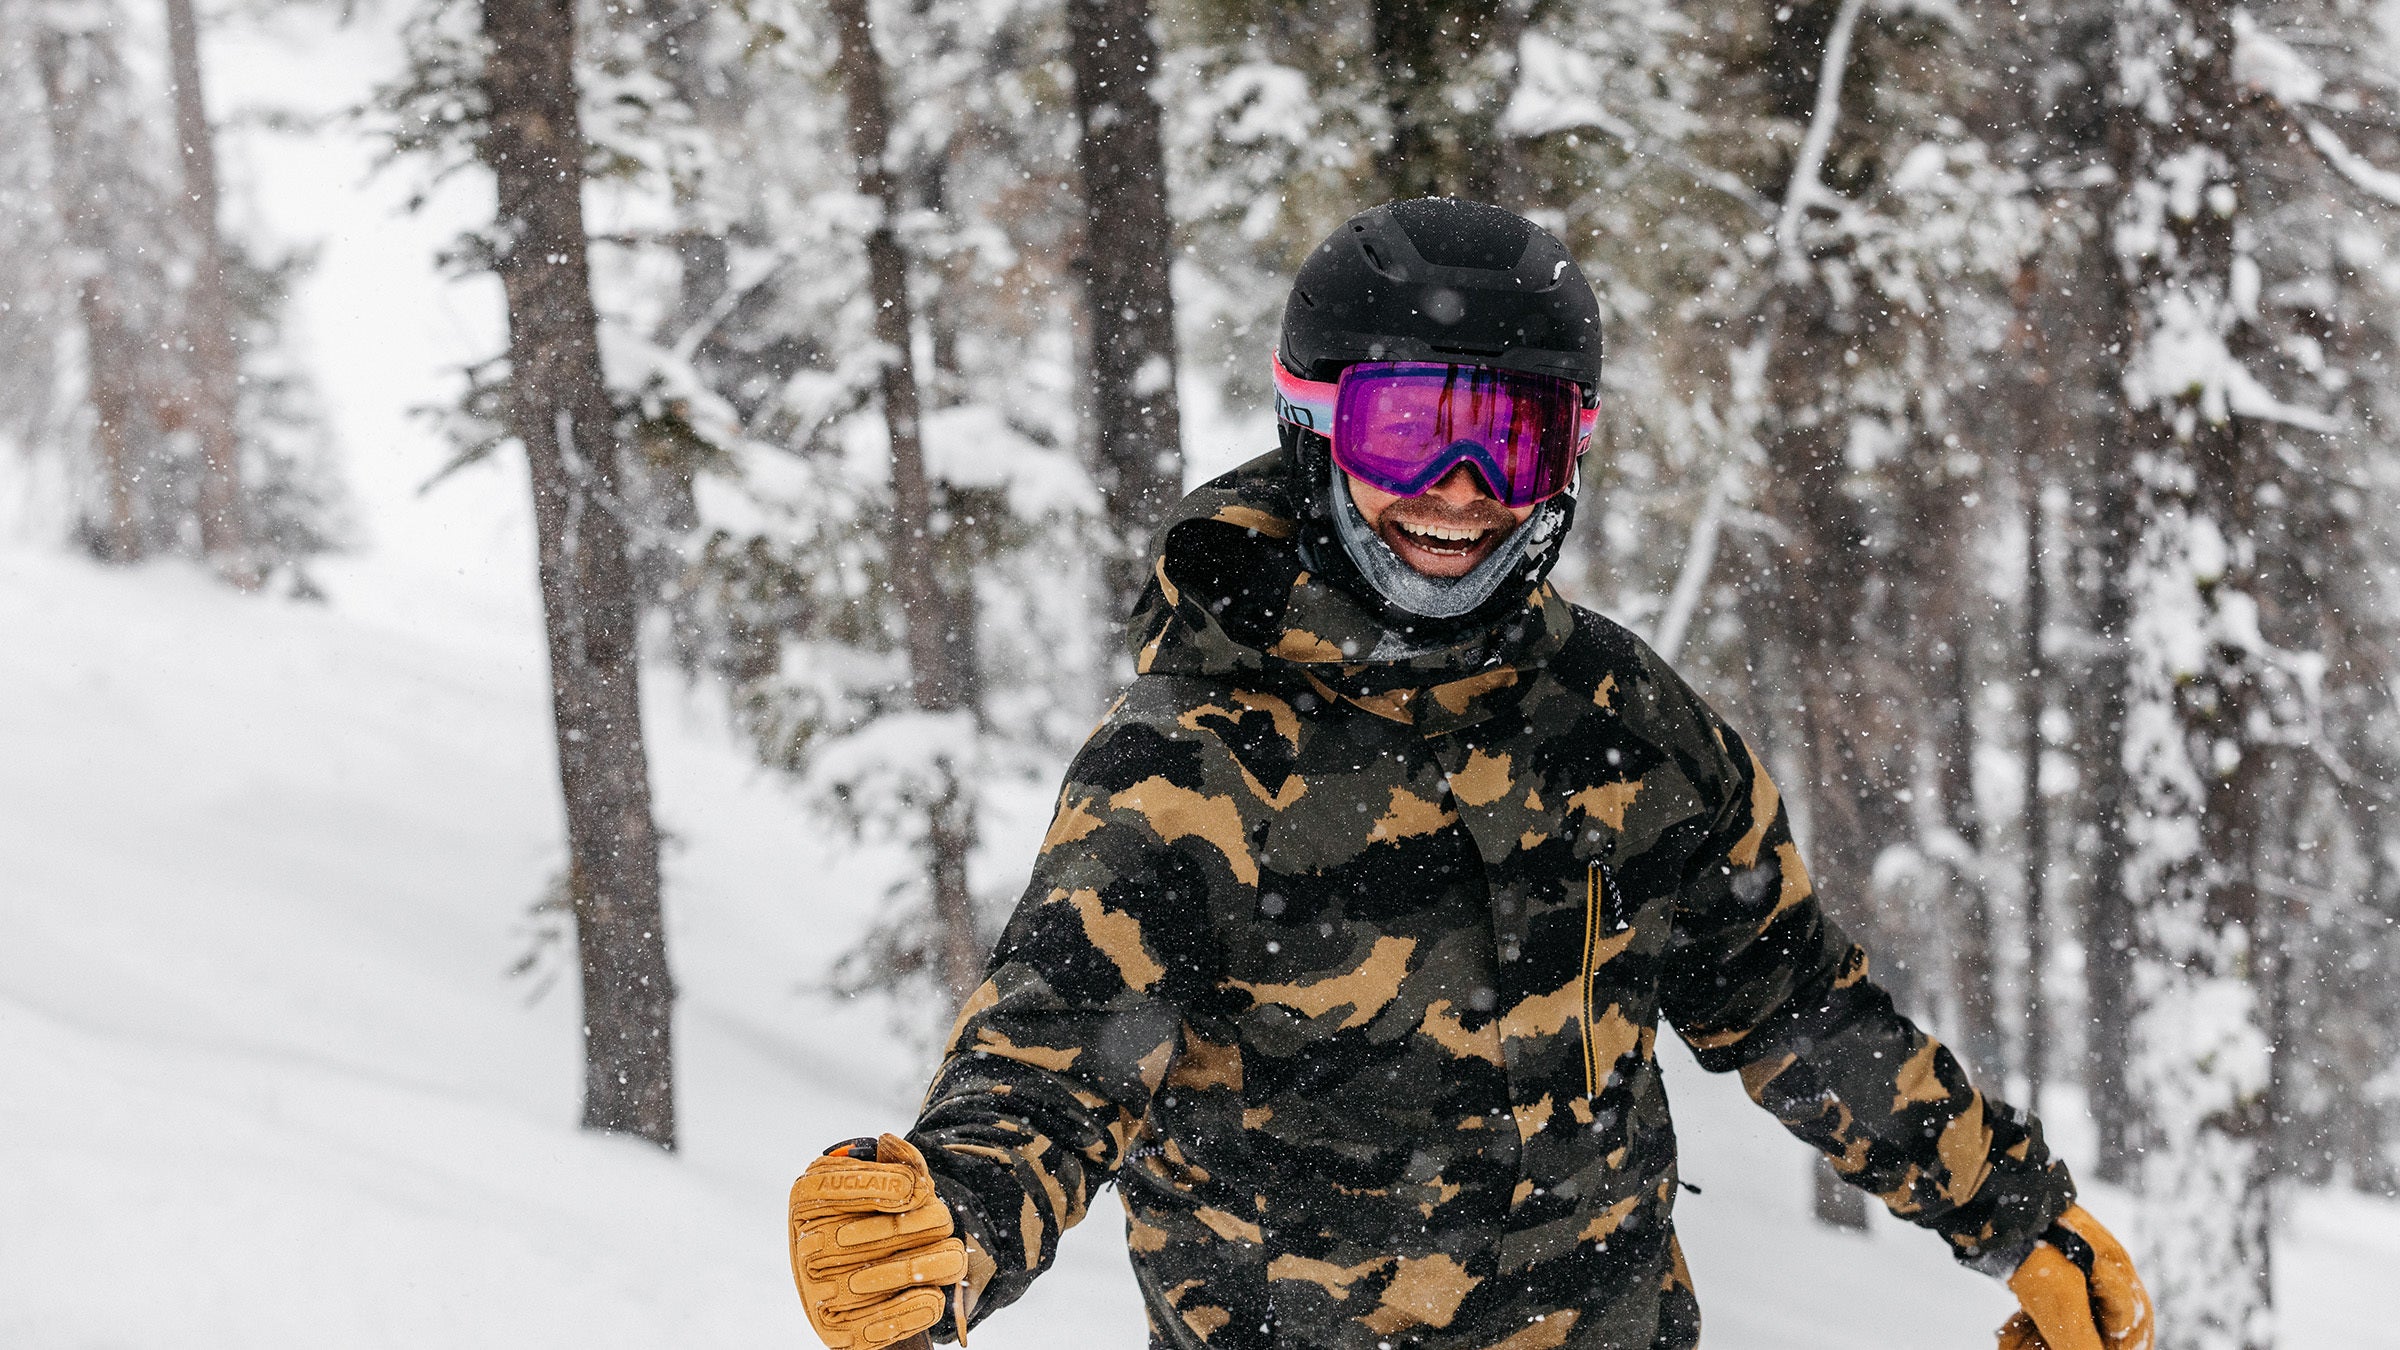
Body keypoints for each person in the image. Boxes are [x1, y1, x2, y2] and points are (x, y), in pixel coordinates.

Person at [787, 198, 2153, 1350]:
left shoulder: (1623, 720)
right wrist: (950, 1213)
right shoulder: (1187, 764)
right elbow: (1054, 1057)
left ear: (1568, 459)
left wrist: (2016, 1211)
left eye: (1511, 441)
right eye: (1408, 433)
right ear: (1313, 427)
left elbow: (1795, 1005)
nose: (1456, 492)